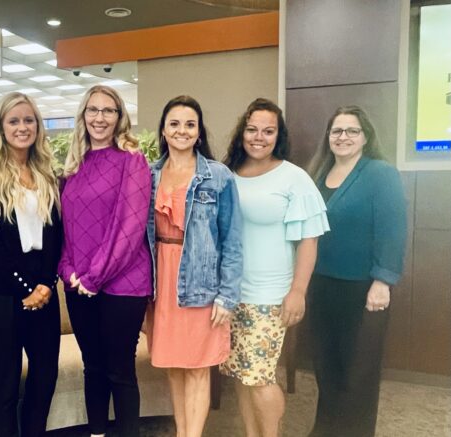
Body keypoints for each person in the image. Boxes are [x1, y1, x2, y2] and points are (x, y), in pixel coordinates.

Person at [221, 98, 329, 437]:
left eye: (268, 131)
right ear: (242, 132)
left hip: (270, 295)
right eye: (252, 129)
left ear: (278, 135)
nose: (259, 137)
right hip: (229, 294)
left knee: (260, 376)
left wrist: (298, 292)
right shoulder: (228, 174)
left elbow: (309, 241)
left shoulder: (293, 178)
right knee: (240, 373)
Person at [306, 106, 407, 437]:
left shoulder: (380, 173)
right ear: (328, 137)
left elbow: (392, 229)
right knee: (327, 364)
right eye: (337, 131)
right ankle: (327, 428)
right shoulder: (319, 175)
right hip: (320, 284)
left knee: (358, 369)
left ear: (365, 137)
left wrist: (383, 280)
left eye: (352, 131)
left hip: (362, 288)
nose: (343, 137)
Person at [145, 96, 243, 437]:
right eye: (174, 123)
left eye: (190, 124)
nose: (182, 131)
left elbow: (232, 242)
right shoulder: (149, 174)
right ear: (163, 130)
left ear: (199, 132)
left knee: (199, 367)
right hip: (161, 282)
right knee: (173, 365)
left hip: (201, 281)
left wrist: (226, 296)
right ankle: (181, 431)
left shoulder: (218, 177)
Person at [58, 85, 152, 437]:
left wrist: (93, 277)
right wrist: (69, 273)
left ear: (119, 117)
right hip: (79, 283)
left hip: (123, 284)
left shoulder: (133, 160)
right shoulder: (72, 167)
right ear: (83, 116)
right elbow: (65, 230)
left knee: (119, 370)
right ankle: (96, 433)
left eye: (108, 111)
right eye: (93, 110)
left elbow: (129, 227)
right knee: (92, 367)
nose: (100, 117)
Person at [0, 92, 63, 437]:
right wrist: (26, 289)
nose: (22, 127)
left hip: (43, 291)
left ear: (38, 127)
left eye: (29, 120)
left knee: (45, 377)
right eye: (14, 121)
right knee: (5, 385)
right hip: (3, 295)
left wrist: (45, 286)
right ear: (1, 127)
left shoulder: (45, 173)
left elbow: (56, 236)